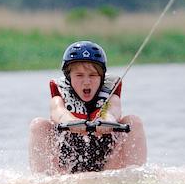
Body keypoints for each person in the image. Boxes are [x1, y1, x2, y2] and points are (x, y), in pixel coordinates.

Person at [28, 40, 147, 174]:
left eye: (93, 75)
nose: (86, 82)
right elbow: (59, 113)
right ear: (69, 77)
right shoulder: (58, 100)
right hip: (64, 166)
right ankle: (44, 178)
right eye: (79, 75)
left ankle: (134, 174)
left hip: (110, 164)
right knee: (38, 124)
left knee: (133, 121)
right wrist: (71, 122)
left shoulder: (111, 98)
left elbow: (111, 112)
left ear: (102, 77)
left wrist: (106, 121)